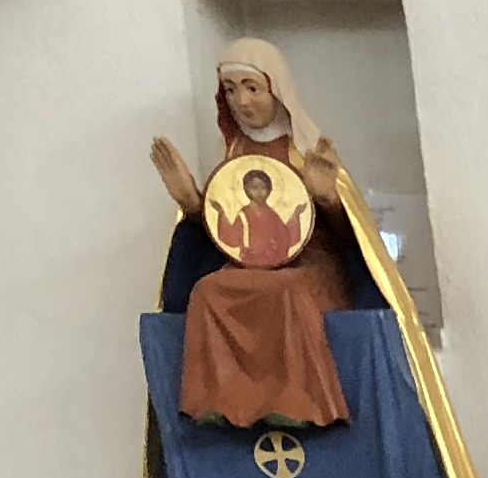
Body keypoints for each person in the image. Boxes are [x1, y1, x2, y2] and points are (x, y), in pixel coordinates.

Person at [153, 39, 357, 428]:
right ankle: (221, 401)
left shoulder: (305, 150)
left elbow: (354, 239)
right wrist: (193, 204)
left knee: (287, 289)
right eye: (230, 90)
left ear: (275, 89)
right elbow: (227, 233)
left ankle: (295, 403)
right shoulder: (234, 155)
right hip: (248, 263)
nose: (241, 101)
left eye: (252, 88)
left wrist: (326, 198)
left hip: (310, 263)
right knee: (208, 291)